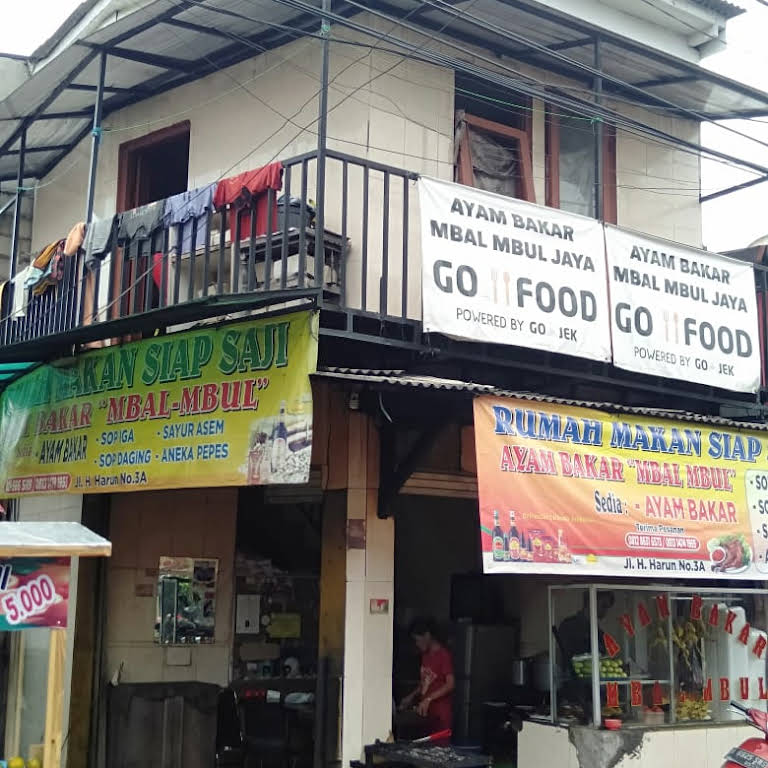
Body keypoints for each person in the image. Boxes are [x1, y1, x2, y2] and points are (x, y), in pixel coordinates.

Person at [399, 618, 455, 733]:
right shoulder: (425, 655)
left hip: (440, 714)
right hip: (426, 712)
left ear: (427, 635)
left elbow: (450, 684)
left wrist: (429, 699)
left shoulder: (443, 655)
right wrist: (411, 696)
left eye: (417, 640)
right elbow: (425, 682)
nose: (417, 644)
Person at [557, 591, 615, 667]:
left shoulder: (597, 631)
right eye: (603, 605)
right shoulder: (569, 626)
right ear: (590, 602)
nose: (605, 611)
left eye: (607, 607)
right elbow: (567, 657)